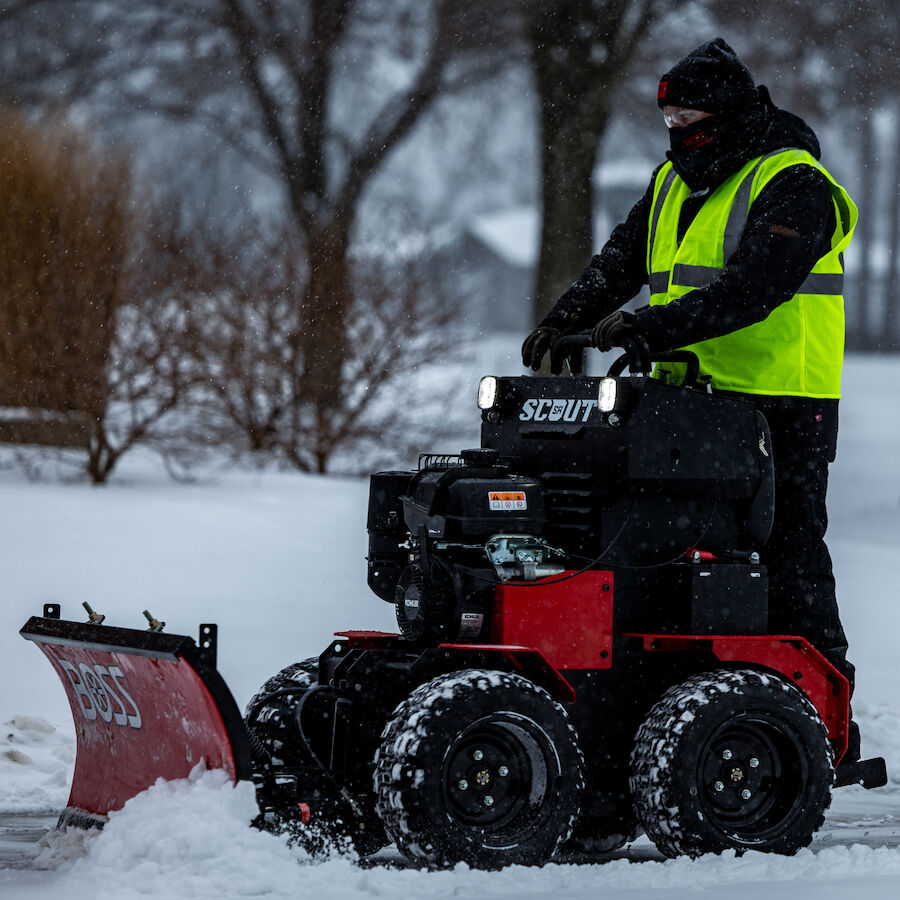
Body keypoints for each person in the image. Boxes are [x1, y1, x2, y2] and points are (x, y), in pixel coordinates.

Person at [521, 38, 861, 759]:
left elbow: (756, 289)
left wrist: (651, 326)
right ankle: (671, 699)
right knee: (672, 551)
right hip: (695, 401)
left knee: (789, 549)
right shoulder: (677, 178)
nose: (679, 136)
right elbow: (621, 259)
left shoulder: (795, 184)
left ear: (732, 114)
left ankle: (826, 717)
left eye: (692, 122)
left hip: (782, 401)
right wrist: (565, 318)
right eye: (670, 124)